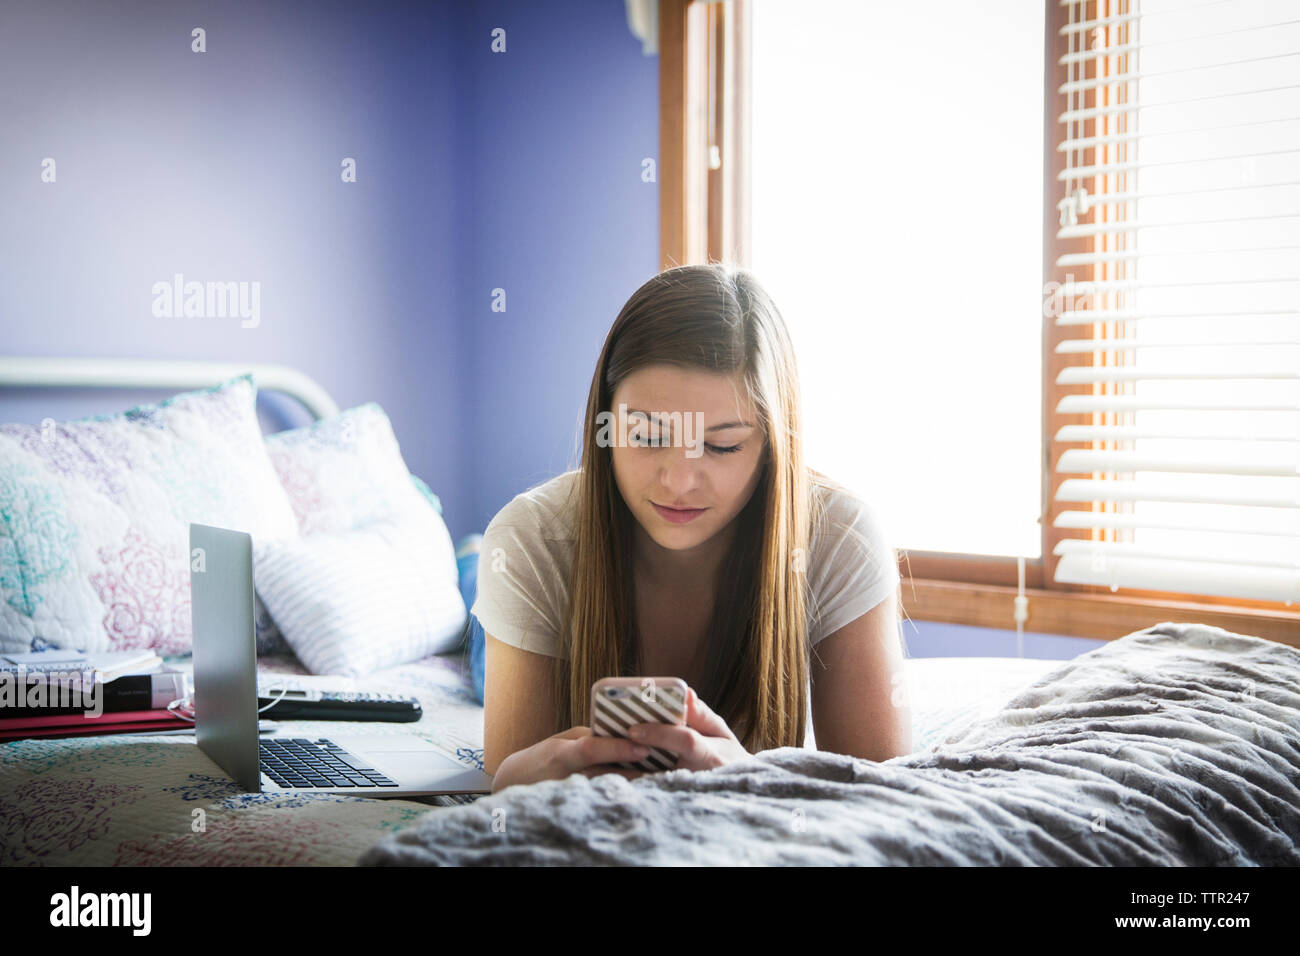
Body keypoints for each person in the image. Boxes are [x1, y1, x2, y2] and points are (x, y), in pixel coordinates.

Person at [475, 263, 909, 794]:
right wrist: (511, 782)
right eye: (647, 436)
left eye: (722, 445)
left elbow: (883, 795)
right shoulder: (529, 540)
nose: (679, 481)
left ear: (774, 446)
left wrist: (751, 781)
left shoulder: (842, 538)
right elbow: (508, 787)